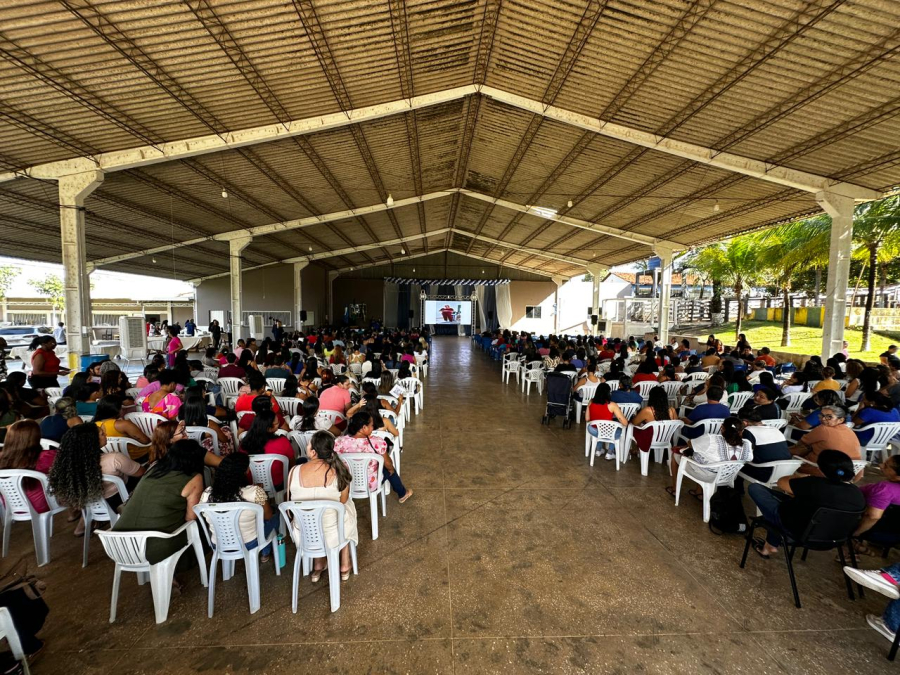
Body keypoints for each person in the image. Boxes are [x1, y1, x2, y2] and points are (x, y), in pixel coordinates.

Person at [749, 450, 865, 559]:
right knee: (787, 502)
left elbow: (781, 483)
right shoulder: (857, 494)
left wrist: (798, 477)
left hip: (794, 532)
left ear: (820, 468)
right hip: (832, 540)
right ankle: (770, 544)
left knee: (756, 488)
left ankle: (771, 544)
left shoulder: (813, 484)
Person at [112, 438, 206, 567]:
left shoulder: (154, 467)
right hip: (154, 550)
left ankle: (163, 574)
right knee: (203, 528)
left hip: (119, 545)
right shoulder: (194, 478)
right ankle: (171, 569)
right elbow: (190, 518)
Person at [287, 431, 359, 581]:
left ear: (313, 452)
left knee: (320, 515)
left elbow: (289, 504)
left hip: (304, 534)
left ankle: (318, 564)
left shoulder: (294, 471)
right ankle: (345, 563)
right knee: (346, 508)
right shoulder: (339, 471)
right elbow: (343, 501)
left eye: (308, 444)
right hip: (332, 534)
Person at [198, 453, 280, 562]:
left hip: (218, 544)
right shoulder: (254, 492)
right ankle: (265, 552)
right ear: (246, 471)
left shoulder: (207, 494)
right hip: (250, 543)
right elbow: (268, 516)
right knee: (275, 511)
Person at [334, 412, 413, 503]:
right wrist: (391, 470)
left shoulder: (339, 441)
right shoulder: (377, 442)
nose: (373, 427)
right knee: (389, 467)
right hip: (371, 484)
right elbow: (387, 463)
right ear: (364, 428)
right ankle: (403, 494)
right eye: (371, 425)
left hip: (347, 483)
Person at [668, 417, 751, 495]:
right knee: (703, 456)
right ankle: (698, 492)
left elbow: (690, 443)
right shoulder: (747, 444)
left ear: (722, 427)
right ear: (741, 431)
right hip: (727, 476)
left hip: (706, 476)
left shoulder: (711, 439)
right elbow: (748, 459)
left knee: (675, 455)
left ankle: (675, 489)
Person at [0, 420, 57, 514]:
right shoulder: (47, 456)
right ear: (37, 436)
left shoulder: (3, 457)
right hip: (42, 506)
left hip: (10, 506)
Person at [790, 405, 861, 476]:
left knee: (793, 452)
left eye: (829, 417)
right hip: (851, 471)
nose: (823, 419)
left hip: (823, 469)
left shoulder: (823, 429)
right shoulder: (849, 431)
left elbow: (801, 443)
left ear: (841, 420)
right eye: (821, 415)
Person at [240, 407, 294, 489]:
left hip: (251, 485)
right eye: (277, 423)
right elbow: (292, 464)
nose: (279, 424)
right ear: (269, 428)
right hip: (278, 485)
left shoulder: (244, 444)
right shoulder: (283, 442)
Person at [737, 408, 792, 483]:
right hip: (785, 472)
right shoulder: (775, 429)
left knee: (735, 464)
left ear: (744, 422)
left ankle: (737, 491)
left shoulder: (749, 430)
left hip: (765, 473)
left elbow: (745, 455)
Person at [93, 395, 151, 459]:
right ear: (117, 409)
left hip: (112, 457)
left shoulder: (94, 425)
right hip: (136, 456)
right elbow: (146, 441)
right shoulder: (124, 424)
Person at [585, 384, 630, 460]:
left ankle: (598, 450)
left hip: (593, 430)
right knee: (618, 429)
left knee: (599, 427)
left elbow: (587, 418)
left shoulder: (591, 401)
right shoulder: (612, 405)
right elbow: (624, 423)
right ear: (608, 393)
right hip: (608, 431)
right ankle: (610, 452)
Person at [631, 387, 678, 453]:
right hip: (666, 441)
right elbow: (675, 426)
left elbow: (634, 423)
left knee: (634, 428)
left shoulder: (648, 410)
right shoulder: (672, 410)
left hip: (650, 442)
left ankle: (637, 450)